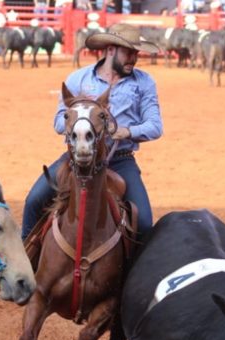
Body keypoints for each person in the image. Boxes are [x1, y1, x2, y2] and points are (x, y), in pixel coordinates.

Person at [21, 23, 163, 245]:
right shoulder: (78, 79)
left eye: (136, 53)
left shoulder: (144, 82)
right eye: (129, 52)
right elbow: (59, 122)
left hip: (120, 161)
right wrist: (78, 116)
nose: (134, 58)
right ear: (110, 50)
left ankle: (136, 277)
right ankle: (26, 257)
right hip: (78, 156)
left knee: (144, 222)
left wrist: (127, 131)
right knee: (34, 201)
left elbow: (155, 126)